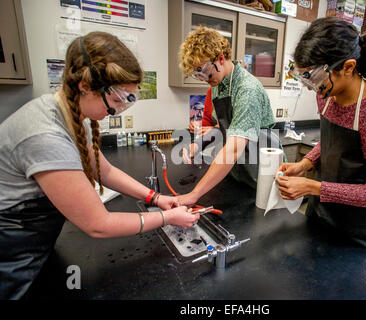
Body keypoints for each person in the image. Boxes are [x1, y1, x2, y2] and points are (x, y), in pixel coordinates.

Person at [0, 32, 199, 300]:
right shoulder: (45, 136)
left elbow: (104, 171)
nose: (117, 111)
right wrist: (167, 218)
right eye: (116, 101)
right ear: (85, 86)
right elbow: (98, 224)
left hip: (34, 241)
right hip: (11, 252)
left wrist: (157, 198)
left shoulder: (70, 114)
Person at [278, 17, 366, 252]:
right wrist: (306, 163)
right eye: (303, 76)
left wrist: (314, 188)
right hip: (318, 213)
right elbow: (330, 143)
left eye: (312, 77)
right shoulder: (325, 96)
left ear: (348, 67)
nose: (309, 87)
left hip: (354, 231)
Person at [177, 26, 279, 206]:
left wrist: (195, 194)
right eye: (197, 73)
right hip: (238, 170)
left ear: (221, 59)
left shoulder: (247, 90)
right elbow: (223, 127)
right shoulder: (218, 85)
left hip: (261, 172)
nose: (202, 77)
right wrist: (198, 144)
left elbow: (232, 150)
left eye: (203, 70)